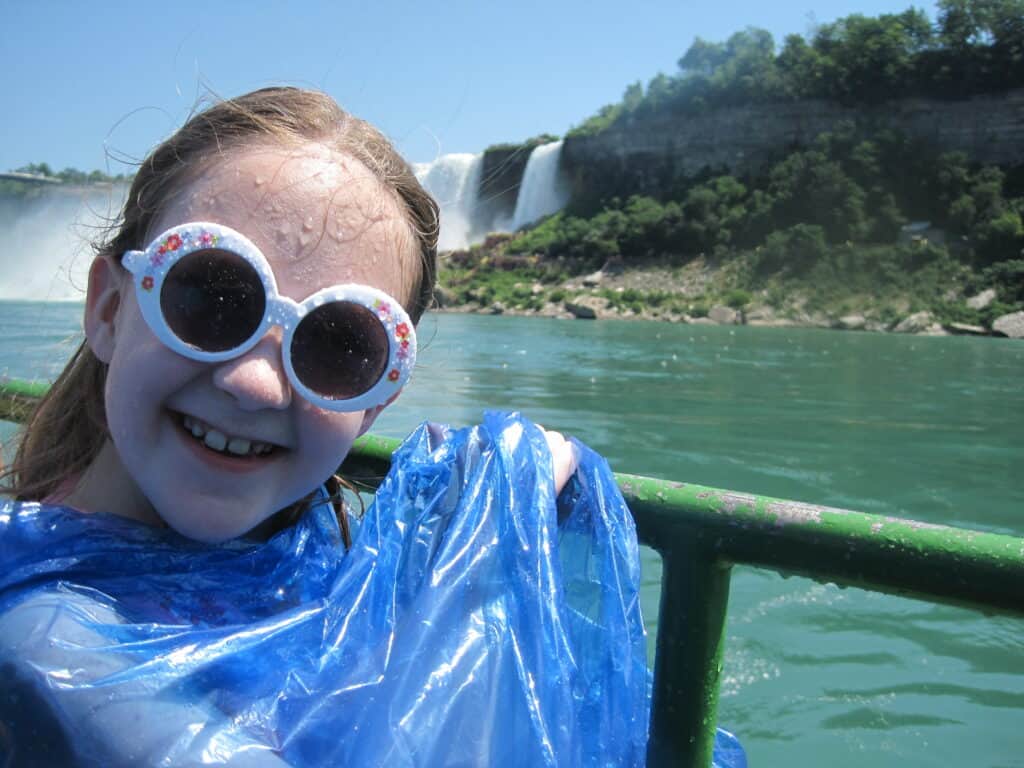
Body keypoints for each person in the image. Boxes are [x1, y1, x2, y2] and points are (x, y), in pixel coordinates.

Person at [0, 87, 743, 767]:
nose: (254, 383)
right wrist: (480, 558)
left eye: (339, 345)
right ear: (108, 309)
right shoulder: (45, 641)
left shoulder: (315, 563)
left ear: (375, 404)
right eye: (211, 296)